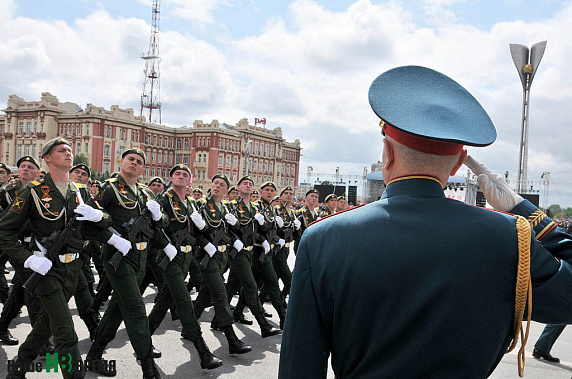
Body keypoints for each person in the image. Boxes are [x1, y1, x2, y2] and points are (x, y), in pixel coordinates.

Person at [279, 66, 572, 378]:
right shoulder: (509, 237)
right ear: (459, 164)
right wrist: (523, 209)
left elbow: (300, 365)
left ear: (387, 154)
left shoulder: (324, 238)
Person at [1, 138, 105, 379]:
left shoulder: (77, 191)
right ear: (47, 158)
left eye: (70, 150)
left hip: (73, 270)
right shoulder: (33, 191)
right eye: (61, 151)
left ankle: (17, 371)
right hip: (46, 271)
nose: (69, 154)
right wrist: (28, 259)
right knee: (66, 334)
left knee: (44, 326)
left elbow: (91, 228)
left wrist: (100, 217)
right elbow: (4, 230)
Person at [85, 148, 164, 378]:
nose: (134, 163)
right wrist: (111, 239)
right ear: (121, 162)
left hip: (139, 257)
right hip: (116, 257)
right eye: (130, 159)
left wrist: (159, 217)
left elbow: (160, 225)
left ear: (143, 168)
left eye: (139, 161)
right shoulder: (109, 188)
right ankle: (148, 367)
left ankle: (93, 355)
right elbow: (86, 221)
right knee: (137, 309)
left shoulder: (145, 192)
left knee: (117, 308)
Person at [191, 174, 252, 355]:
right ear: (211, 185)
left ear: (226, 190)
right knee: (220, 295)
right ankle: (231, 339)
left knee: (205, 292)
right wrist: (205, 242)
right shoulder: (200, 205)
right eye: (215, 183)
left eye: (222, 185)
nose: (217, 186)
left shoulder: (224, 208)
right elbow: (194, 230)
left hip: (221, 256)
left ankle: (189, 326)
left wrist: (234, 233)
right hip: (206, 256)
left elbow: (227, 230)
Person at [223, 175, 281, 338]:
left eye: (250, 184)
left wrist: (263, 240)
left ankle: (217, 320)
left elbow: (256, 231)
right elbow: (224, 229)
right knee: (250, 286)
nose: (247, 186)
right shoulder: (230, 206)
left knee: (231, 286)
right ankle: (263, 325)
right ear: (238, 187)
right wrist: (234, 240)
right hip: (236, 251)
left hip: (249, 251)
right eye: (244, 184)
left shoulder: (254, 208)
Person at [0, 156, 43, 347]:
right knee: (32, 288)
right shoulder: (7, 192)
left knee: (19, 290)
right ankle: (40, 342)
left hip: (35, 246)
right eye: (22, 166)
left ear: (37, 172)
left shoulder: (43, 191)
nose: (25, 169)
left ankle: (1, 327)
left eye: (30, 167)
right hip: (16, 247)